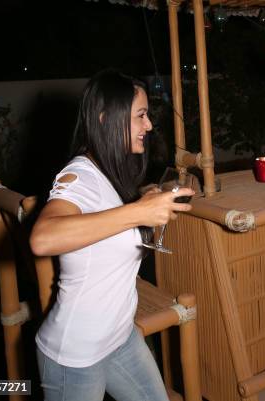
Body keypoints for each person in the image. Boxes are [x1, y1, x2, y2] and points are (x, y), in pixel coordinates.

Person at [29, 69, 194, 401]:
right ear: (106, 119)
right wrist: (138, 212)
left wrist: (143, 199)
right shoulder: (79, 175)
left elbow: (106, 217)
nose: (148, 125)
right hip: (74, 358)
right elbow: (42, 238)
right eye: (140, 116)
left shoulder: (109, 172)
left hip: (120, 339)